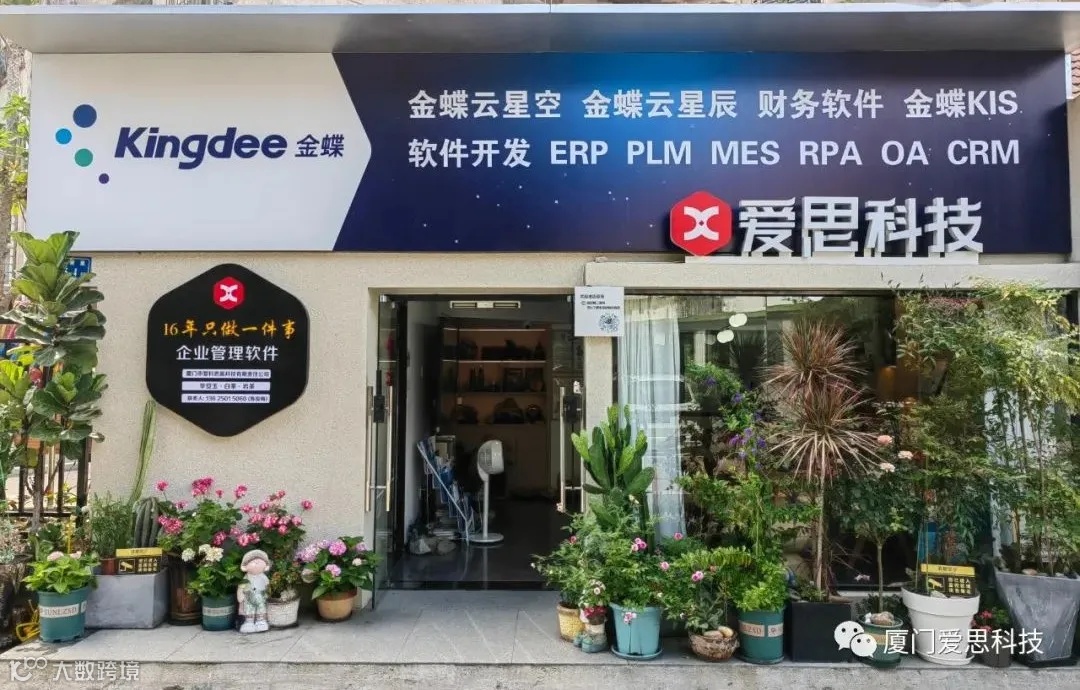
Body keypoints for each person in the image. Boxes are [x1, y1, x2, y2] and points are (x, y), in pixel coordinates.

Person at [237, 549, 270, 633]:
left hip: (261, 596)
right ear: (245, 566)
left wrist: (268, 593)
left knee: (261, 608)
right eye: (252, 561)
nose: (256, 562)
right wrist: (240, 594)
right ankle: (249, 622)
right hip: (248, 596)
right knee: (248, 609)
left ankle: (261, 621)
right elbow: (241, 587)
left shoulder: (263, 577)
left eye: (259, 561)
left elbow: (268, 586)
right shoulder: (246, 577)